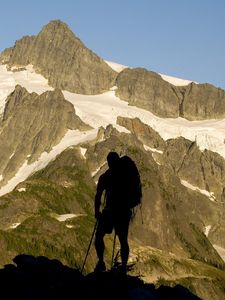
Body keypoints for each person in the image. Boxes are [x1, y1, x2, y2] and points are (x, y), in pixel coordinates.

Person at [94, 151, 133, 273]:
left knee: (99, 236)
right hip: (123, 212)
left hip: (109, 211)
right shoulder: (125, 176)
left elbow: (98, 196)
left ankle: (101, 262)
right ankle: (123, 267)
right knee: (123, 240)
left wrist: (97, 212)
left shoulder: (105, 177)